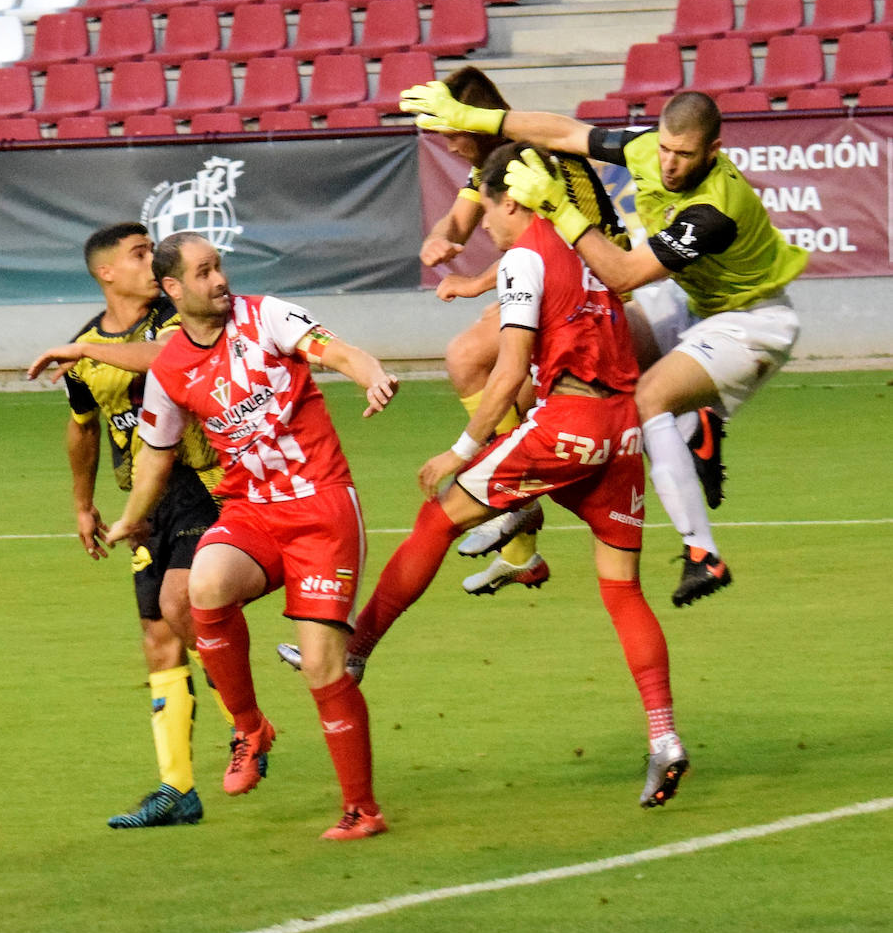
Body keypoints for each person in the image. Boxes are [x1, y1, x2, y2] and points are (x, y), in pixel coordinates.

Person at [283, 142, 689, 809]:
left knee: (438, 514)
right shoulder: (585, 247)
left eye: (488, 207)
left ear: (510, 199)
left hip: (570, 425)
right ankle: (664, 738)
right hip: (620, 433)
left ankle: (353, 653)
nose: (487, 226)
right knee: (621, 591)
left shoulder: (528, 254)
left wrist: (461, 448)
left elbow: (507, 369)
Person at [401, 83, 809, 607]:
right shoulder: (646, 150)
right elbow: (566, 131)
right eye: (664, 148)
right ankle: (690, 426)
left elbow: (619, 274)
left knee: (649, 399)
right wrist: (474, 117)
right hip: (688, 303)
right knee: (575, 372)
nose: (669, 164)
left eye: (684, 155)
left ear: (713, 152)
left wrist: (559, 210)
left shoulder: (714, 209)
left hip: (749, 320)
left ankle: (702, 552)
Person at [104, 230, 399, 841]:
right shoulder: (170, 368)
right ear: (173, 289)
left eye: (220, 267)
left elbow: (332, 349)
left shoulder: (266, 316)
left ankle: (361, 810)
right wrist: (133, 514)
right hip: (252, 511)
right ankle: (249, 726)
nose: (220, 281)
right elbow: (156, 453)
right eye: (204, 272)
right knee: (199, 587)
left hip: (321, 510)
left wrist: (369, 371)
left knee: (322, 667)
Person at [27, 222, 230, 829]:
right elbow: (83, 425)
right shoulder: (83, 347)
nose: (154, 262)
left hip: (201, 485)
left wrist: (87, 352)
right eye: (140, 255)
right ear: (107, 273)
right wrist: (82, 503)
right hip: (145, 508)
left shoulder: (173, 317)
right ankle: (179, 788)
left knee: (185, 609)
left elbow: (167, 361)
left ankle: (247, 727)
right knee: (157, 637)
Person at [418, 64, 628, 598]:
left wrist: (477, 284)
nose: (446, 144)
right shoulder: (491, 163)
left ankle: (515, 507)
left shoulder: (534, 158)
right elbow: (459, 221)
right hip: (569, 290)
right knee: (496, 376)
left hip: (604, 288)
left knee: (472, 358)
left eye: (451, 131)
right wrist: (440, 240)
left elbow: (551, 238)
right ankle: (520, 552)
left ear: (477, 122)